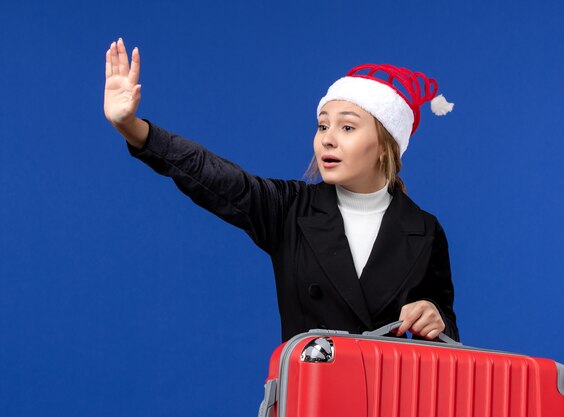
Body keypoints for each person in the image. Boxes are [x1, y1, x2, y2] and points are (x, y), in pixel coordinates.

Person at [104, 38, 459, 343]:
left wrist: (433, 315)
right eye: (322, 126)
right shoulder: (290, 209)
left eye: (347, 127)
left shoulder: (424, 230)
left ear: (385, 145)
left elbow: (447, 344)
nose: (327, 139)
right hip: (310, 397)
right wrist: (134, 128)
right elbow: (211, 175)